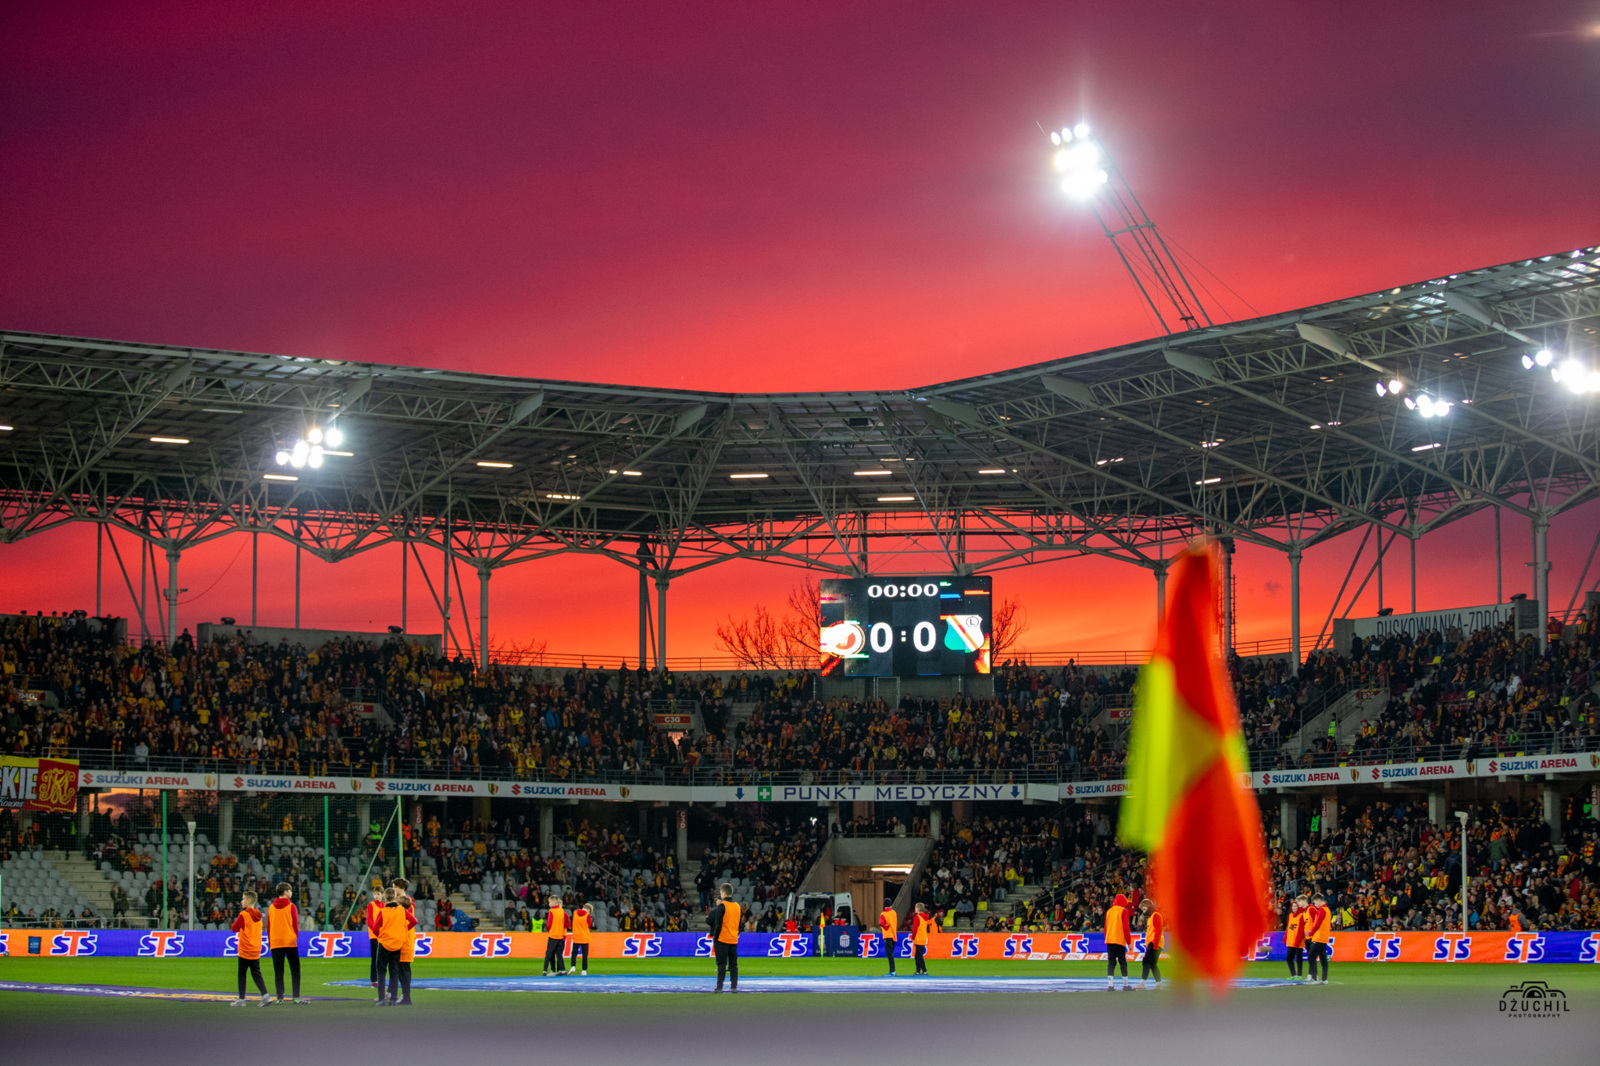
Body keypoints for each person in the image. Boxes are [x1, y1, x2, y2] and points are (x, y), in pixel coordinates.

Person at [371, 886, 416, 1006]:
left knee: (381, 971)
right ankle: (393, 1000)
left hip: (384, 943)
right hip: (397, 944)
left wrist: (381, 936)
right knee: (394, 972)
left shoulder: (383, 911)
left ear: (385, 898)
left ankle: (381, 999)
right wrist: (403, 930)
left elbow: (375, 928)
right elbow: (414, 921)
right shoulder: (402, 910)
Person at [267, 882, 307, 1004]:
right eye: (290, 890)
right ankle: (296, 997)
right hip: (289, 942)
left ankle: (280, 997)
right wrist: (294, 938)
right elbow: (295, 925)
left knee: (278, 971)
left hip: (275, 942)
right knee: (295, 970)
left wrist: (271, 942)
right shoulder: (291, 906)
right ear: (285, 892)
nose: (291, 892)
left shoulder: (271, 907)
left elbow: (268, 927)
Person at [229, 890, 270, 1007]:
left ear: (249, 900)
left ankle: (241, 999)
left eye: (243, 899)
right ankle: (265, 995)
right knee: (256, 973)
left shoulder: (244, 914)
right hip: (256, 948)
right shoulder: (259, 914)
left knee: (242, 974)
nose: (242, 901)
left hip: (245, 948)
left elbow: (234, 928)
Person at [707, 883, 742, 992]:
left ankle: (719, 987)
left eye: (721, 893)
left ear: (724, 894)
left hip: (722, 938)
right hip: (733, 938)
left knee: (721, 964)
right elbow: (739, 923)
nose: (721, 896)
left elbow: (718, 924)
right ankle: (734, 987)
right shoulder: (737, 906)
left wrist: (716, 938)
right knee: (733, 965)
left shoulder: (722, 906)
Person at [394, 877, 417, 1005]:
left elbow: (409, 921)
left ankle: (406, 996)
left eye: (395, 887)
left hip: (404, 940)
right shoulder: (398, 902)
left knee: (404, 969)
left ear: (401, 888)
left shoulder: (408, 904)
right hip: (398, 939)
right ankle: (398, 995)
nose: (393, 889)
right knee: (398, 969)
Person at [1105, 893, 1132, 991]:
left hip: (1109, 940)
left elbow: (1106, 928)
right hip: (1119, 940)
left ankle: (1110, 985)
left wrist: (1107, 938)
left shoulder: (1109, 911)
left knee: (1111, 962)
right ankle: (1125, 985)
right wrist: (1129, 942)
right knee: (1122, 962)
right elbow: (1126, 928)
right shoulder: (1123, 911)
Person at [1304, 894, 1332, 984]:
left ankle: (1315, 978)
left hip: (1318, 937)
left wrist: (1311, 933)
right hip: (1324, 937)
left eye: (1315, 902)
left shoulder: (1322, 910)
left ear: (1319, 900)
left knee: (1311, 956)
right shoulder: (1327, 910)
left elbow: (1317, 924)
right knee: (1323, 958)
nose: (1315, 904)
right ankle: (1324, 979)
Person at [1138, 898, 1163, 989]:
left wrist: (1155, 945)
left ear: (1149, 907)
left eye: (1144, 909)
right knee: (1152, 964)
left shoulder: (1156, 915)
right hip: (1153, 942)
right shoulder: (1153, 916)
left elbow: (1158, 930)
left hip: (1154, 942)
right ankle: (1159, 983)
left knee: (1146, 961)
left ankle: (1142, 983)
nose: (1144, 912)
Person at [363, 888, 385, 990]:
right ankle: (373, 980)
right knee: (375, 958)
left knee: (382, 959)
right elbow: (369, 921)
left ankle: (380, 979)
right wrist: (377, 931)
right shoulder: (370, 905)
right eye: (375, 894)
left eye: (378, 894)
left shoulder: (385, 906)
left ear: (382, 895)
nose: (376, 896)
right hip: (374, 935)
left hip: (383, 936)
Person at [1284, 895, 1309, 981]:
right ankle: (1293, 974)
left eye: (1296, 906)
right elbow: (1288, 927)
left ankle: (1299, 975)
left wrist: (1297, 940)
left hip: (1298, 941)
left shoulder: (1301, 916)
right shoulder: (1290, 915)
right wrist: (1285, 937)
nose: (1294, 908)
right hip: (1291, 941)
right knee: (1289, 958)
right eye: (1293, 906)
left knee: (1299, 958)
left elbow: (1301, 930)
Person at [543, 895, 568, 976]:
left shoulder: (551, 911)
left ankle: (545, 971)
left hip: (553, 934)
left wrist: (549, 929)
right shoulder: (562, 911)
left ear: (554, 902)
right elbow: (566, 923)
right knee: (559, 954)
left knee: (549, 953)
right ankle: (563, 970)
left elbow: (549, 924)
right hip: (561, 935)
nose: (549, 903)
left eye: (550, 902)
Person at [910, 902, 937, 976]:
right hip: (923, 937)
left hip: (918, 938)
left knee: (918, 956)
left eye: (916, 908)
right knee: (918, 955)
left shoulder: (917, 917)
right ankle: (918, 970)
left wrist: (913, 937)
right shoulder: (925, 917)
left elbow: (914, 929)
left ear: (918, 909)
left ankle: (924, 970)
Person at [570, 903, 594, 976]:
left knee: (574, 953)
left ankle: (573, 966)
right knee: (584, 955)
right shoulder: (587, 916)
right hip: (584, 937)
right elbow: (589, 925)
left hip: (576, 936)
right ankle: (584, 970)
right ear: (588, 910)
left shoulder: (574, 913)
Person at [878, 901, 898, 976]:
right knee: (891, 953)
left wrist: (886, 927)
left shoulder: (883, 914)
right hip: (894, 935)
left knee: (889, 954)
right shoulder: (894, 913)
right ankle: (892, 971)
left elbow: (881, 923)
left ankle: (892, 971)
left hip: (887, 935)